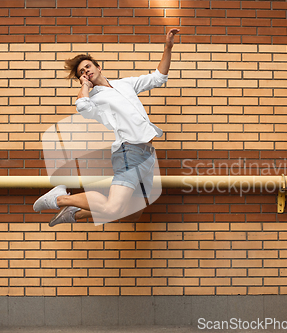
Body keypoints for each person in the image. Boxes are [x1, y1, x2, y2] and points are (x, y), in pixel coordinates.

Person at [33, 28, 180, 226]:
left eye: (87, 67)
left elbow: (158, 77)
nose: (86, 72)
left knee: (133, 213)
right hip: (130, 151)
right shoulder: (94, 98)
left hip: (147, 155)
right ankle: (60, 198)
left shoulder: (124, 84)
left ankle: (75, 213)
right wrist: (85, 86)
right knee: (113, 207)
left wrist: (167, 48)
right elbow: (82, 107)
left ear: (98, 66)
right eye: (82, 73)